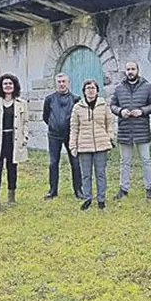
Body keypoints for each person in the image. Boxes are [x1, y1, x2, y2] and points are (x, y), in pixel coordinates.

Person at [110, 61, 151, 200]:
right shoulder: (119, 88)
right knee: (125, 161)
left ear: (138, 70)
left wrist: (142, 111)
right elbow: (112, 105)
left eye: (133, 69)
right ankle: (123, 189)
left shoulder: (147, 87)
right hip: (125, 130)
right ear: (125, 71)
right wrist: (120, 111)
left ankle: (149, 188)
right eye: (128, 69)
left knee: (146, 160)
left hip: (141, 129)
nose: (130, 71)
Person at [0, 73, 29, 212]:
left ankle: (11, 196)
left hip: (13, 140)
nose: (8, 86)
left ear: (14, 86)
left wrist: (25, 137)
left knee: (12, 167)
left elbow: (25, 122)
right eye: (5, 84)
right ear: (1, 86)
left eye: (10, 83)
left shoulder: (21, 103)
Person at [69, 79, 115, 210]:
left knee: (100, 173)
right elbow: (74, 127)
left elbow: (109, 122)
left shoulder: (103, 105)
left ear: (97, 91)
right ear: (84, 91)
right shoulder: (77, 107)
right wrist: (73, 145)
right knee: (86, 174)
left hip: (101, 144)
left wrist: (110, 137)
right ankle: (87, 198)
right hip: (84, 145)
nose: (90, 90)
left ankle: (101, 199)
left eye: (93, 88)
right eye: (88, 88)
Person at [42, 73, 84, 201]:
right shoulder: (49, 99)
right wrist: (54, 126)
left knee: (75, 162)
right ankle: (52, 190)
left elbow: (78, 117)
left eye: (64, 81)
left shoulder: (76, 99)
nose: (61, 84)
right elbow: (46, 116)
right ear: (56, 83)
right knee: (53, 163)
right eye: (59, 82)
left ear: (68, 82)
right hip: (54, 135)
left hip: (71, 135)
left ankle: (78, 190)